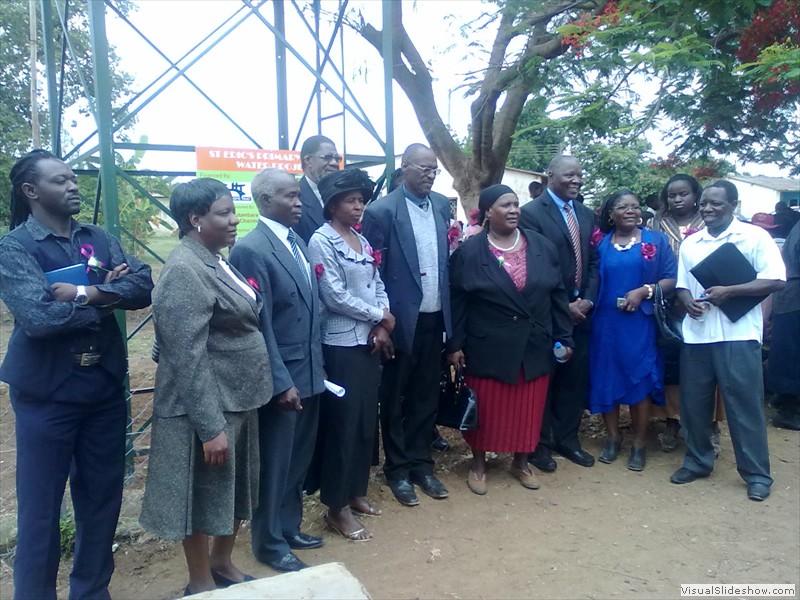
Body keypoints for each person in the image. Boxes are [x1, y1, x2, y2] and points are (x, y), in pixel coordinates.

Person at [0, 150, 153, 599]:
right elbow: (39, 318)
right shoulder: (15, 247)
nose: (73, 186)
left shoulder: (98, 237)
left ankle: (91, 592)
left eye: (73, 179)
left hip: (102, 386)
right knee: (41, 509)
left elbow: (141, 286)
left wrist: (85, 294)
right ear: (31, 191)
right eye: (60, 180)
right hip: (47, 392)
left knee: (102, 499)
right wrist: (109, 295)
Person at [140, 179, 271, 594]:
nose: (234, 220)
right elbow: (185, 355)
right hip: (206, 407)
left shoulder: (214, 259)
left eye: (233, 211)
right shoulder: (184, 268)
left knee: (233, 489)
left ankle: (222, 562)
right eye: (224, 213)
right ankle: (200, 581)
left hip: (238, 398)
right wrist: (209, 426)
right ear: (195, 219)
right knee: (200, 497)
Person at [447, 185, 574, 494]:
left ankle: (521, 462)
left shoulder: (542, 246)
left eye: (516, 204)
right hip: (487, 344)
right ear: (488, 211)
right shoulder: (469, 252)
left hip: (533, 343)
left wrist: (564, 336)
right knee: (486, 407)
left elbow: (558, 295)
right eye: (506, 205)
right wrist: (454, 345)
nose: (514, 210)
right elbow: (458, 302)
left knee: (528, 407)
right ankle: (479, 463)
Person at [229, 168, 325, 571]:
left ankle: (288, 527)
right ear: (264, 201)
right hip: (281, 378)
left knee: (297, 461)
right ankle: (268, 543)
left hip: (310, 371)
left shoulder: (296, 240)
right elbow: (259, 323)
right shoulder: (251, 249)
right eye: (290, 196)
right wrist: (280, 382)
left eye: (300, 195)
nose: (299, 203)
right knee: (274, 463)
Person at [670, 180, 785, 501]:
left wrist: (731, 291)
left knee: (744, 405)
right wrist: (686, 300)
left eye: (716, 204)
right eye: (704, 203)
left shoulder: (754, 236)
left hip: (739, 333)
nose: (707, 209)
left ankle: (757, 474)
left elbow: (775, 280)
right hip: (698, 335)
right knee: (694, 406)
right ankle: (697, 461)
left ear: (733, 204)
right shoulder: (693, 244)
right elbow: (682, 284)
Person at [305, 169, 395, 541]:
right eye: (350, 200)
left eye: (361, 200)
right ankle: (336, 507)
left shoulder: (359, 238)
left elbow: (378, 284)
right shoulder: (321, 241)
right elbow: (334, 295)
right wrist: (379, 316)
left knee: (362, 422)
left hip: (369, 342)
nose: (359, 206)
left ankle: (356, 491)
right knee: (342, 426)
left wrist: (383, 324)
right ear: (332, 205)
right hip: (340, 345)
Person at [362, 143, 453, 507]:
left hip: (435, 317)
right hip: (400, 321)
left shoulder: (442, 206)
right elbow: (372, 272)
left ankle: (421, 464)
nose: (430, 176)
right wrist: (381, 323)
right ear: (404, 168)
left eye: (434, 170)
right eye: (423, 169)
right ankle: (397, 469)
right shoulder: (382, 212)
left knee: (426, 394)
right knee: (395, 397)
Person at [519, 155, 599, 472]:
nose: (577, 180)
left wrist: (587, 301)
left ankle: (568, 439)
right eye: (569, 174)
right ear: (549, 175)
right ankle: (540, 445)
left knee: (574, 379)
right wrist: (562, 305)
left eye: (580, 174)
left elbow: (593, 263)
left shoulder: (586, 213)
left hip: (582, 313)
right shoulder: (530, 214)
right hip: (549, 314)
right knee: (546, 380)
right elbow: (533, 265)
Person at [590, 190, 677, 471]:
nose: (630, 211)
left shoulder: (656, 241)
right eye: (622, 207)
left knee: (639, 381)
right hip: (604, 325)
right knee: (607, 378)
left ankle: (639, 444)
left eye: (635, 206)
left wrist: (645, 290)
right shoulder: (601, 244)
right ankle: (613, 438)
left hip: (640, 323)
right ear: (610, 214)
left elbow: (671, 280)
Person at [650, 174, 726, 454]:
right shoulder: (656, 224)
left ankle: (710, 424)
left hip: (708, 303)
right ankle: (672, 421)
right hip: (668, 306)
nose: (677, 199)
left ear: (696, 195)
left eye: (684, 194)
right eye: (672, 195)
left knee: (709, 366)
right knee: (672, 365)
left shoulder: (711, 222)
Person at [767, 221, 800, 430]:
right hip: (794, 297)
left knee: (790, 354)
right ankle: (787, 411)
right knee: (791, 355)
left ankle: (784, 402)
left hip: (790, 297)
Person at [294, 135, 341, 243]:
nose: (334, 163)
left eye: (337, 158)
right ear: (308, 160)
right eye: (327, 157)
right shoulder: (294, 199)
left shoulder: (342, 196)